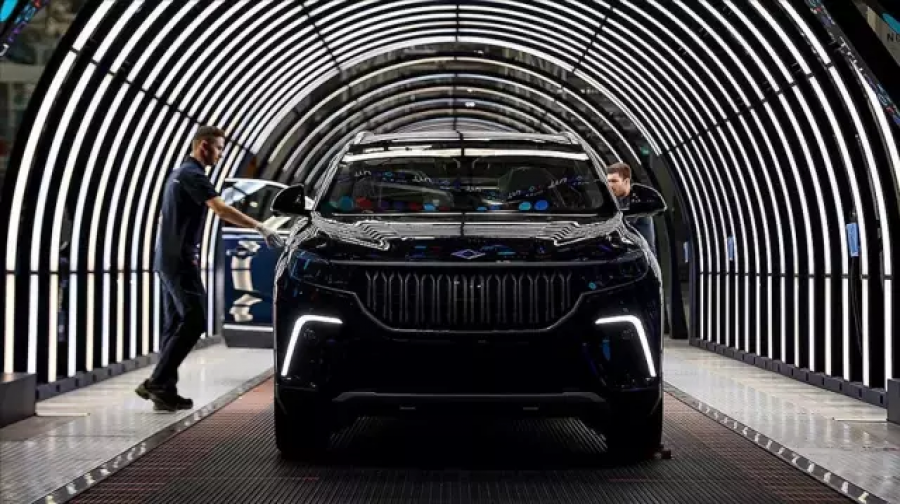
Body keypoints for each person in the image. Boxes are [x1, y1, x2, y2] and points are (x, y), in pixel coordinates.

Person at [136, 126, 284, 412]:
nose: (220, 155)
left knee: (174, 324)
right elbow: (220, 209)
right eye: (219, 148)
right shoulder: (194, 175)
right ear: (203, 146)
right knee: (195, 320)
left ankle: (164, 390)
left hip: (165, 257)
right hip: (180, 259)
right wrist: (260, 226)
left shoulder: (177, 173)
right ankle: (157, 382)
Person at [607, 162, 656, 255]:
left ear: (625, 182)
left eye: (614, 181)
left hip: (640, 255)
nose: (610, 185)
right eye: (608, 181)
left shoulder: (636, 199)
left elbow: (622, 222)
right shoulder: (618, 197)